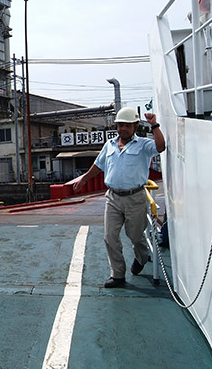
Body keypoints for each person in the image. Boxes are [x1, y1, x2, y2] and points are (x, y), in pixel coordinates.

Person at [72, 107, 165, 288]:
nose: (122, 128)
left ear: (135, 126)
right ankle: (118, 275)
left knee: (136, 236)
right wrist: (84, 179)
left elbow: (160, 147)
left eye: (127, 125)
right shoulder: (110, 145)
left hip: (135, 197)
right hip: (113, 197)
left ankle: (141, 256)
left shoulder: (144, 145)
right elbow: (98, 165)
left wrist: (154, 125)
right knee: (110, 236)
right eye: (120, 125)